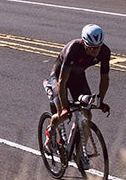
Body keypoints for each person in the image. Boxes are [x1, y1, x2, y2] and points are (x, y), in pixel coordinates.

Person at [43, 23, 111, 162]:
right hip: (60, 77)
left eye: (97, 48)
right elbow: (62, 82)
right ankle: (50, 133)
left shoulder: (105, 51)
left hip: (78, 77)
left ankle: (79, 152)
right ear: (83, 43)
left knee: (87, 115)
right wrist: (65, 108)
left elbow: (104, 78)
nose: (95, 51)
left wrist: (101, 101)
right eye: (91, 48)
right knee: (64, 115)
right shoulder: (73, 49)